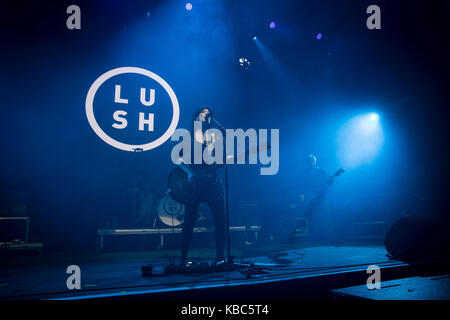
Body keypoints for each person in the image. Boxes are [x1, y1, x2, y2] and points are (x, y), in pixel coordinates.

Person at [176, 107, 226, 266]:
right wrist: (190, 172)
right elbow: (178, 159)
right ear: (196, 117)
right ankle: (183, 259)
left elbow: (219, 160)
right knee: (189, 220)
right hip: (195, 184)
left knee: (220, 219)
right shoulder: (188, 137)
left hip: (212, 183)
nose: (206, 114)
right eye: (203, 112)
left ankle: (220, 257)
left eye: (208, 113)